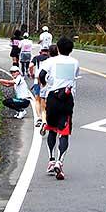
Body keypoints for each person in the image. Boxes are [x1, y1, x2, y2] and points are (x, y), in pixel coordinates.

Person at [39, 37, 80, 180]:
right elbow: (74, 78)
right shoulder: (75, 63)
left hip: (52, 98)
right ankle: (59, 161)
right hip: (67, 99)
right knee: (64, 131)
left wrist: (45, 84)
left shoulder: (50, 61)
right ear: (71, 49)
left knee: (51, 128)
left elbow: (41, 75)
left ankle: (51, 159)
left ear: (57, 48)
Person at [29, 46, 49, 127]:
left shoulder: (36, 58)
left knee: (37, 99)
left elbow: (30, 65)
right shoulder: (50, 58)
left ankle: (39, 118)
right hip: (47, 81)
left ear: (41, 51)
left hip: (37, 80)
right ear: (48, 52)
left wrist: (31, 73)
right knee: (45, 100)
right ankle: (46, 117)